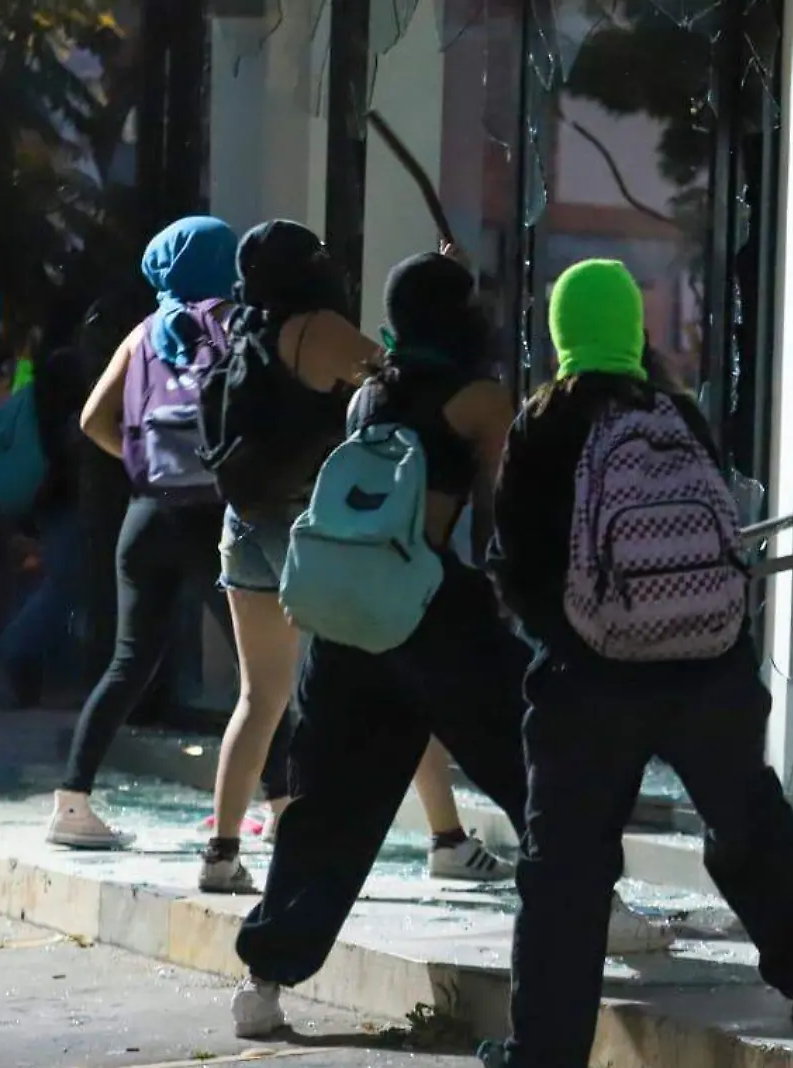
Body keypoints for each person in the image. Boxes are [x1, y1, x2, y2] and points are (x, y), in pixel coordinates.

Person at [230, 250, 672, 1041]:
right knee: (541, 767)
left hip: (347, 625)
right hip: (434, 616)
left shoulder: (366, 394)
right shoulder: (479, 401)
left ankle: (265, 980)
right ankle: (600, 907)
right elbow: (510, 519)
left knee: (329, 807)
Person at [479, 260, 793, 1068]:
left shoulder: (544, 425)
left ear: (562, 331)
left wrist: (567, 635)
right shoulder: (674, 415)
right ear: (632, 328)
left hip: (590, 681)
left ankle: (544, 1051)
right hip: (706, 668)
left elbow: (512, 562)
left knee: (566, 867)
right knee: (746, 815)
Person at [200, 220, 513, 893]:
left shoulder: (246, 329)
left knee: (259, 696)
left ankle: (221, 853)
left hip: (244, 526)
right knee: (402, 672)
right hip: (316, 533)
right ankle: (447, 839)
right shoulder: (319, 329)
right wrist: (448, 283)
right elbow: (402, 365)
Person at [49, 216, 277, 849]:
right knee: (261, 673)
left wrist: (140, 464)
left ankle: (71, 802)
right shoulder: (237, 324)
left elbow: (94, 417)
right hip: (213, 513)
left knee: (129, 663)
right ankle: (283, 805)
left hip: (146, 513)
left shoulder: (147, 330)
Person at [0, 343, 89, 706]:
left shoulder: (32, 397)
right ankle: (7, 656)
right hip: (62, 499)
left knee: (48, 582)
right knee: (66, 583)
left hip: (36, 500)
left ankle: (16, 666)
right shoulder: (72, 384)